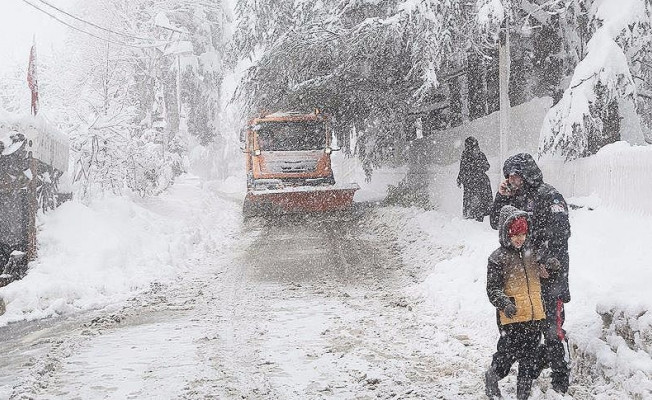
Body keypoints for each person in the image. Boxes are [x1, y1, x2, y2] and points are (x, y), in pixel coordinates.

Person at [490, 153, 571, 394]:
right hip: (523, 277)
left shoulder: (549, 196)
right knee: (526, 327)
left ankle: (560, 378)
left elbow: (560, 235)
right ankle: (531, 368)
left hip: (549, 276)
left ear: (526, 175)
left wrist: (549, 263)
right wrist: (501, 197)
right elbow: (496, 222)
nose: (511, 180)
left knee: (552, 329)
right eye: (509, 177)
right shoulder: (513, 197)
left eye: (515, 176)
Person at [485, 205, 547, 400]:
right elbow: (493, 288)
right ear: (506, 234)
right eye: (514, 234)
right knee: (506, 356)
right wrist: (505, 303)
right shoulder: (498, 258)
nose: (519, 238)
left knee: (529, 360)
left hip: (533, 316)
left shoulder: (532, 254)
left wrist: (551, 268)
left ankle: (523, 396)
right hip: (512, 318)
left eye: (523, 233)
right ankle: (492, 377)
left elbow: (543, 277)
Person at [457, 136, 493, 221]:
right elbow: (462, 168)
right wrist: (459, 178)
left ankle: (480, 217)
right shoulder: (465, 156)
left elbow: (487, 166)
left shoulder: (480, 154)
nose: (476, 148)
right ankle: (471, 217)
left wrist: (478, 166)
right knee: (473, 201)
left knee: (482, 200)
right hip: (470, 182)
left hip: (481, 181)